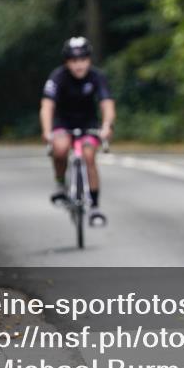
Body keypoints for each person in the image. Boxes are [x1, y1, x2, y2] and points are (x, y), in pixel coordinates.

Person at [40, 36, 116, 226]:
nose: (79, 65)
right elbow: (47, 106)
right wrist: (47, 131)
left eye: (83, 59)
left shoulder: (97, 77)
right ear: (67, 62)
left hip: (88, 123)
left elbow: (107, 104)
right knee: (60, 149)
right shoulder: (58, 77)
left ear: (89, 60)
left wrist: (107, 126)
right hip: (63, 123)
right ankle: (60, 184)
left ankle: (95, 206)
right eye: (73, 61)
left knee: (89, 156)